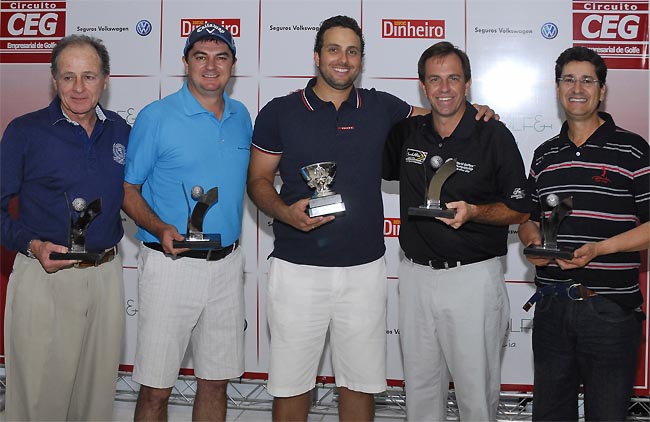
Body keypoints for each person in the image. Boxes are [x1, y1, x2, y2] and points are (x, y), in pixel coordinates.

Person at [247, 16, 495, 421]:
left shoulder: (383, 107)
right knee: (292, 384)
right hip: (297, 270)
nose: (342, 59)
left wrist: (477, 110)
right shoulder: (280, 111)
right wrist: (284, 213)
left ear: (361, 60)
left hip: (364, 270)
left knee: (360, 384)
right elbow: (257, 180)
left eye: (352, 51)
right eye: (333, 49)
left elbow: (442, 112)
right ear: (317, 56)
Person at [383, 41, 530, 421]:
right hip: (415, 277)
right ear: (422, 86)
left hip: (472, 280)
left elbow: (519, 209)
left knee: (475, 394)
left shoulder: (493, 135)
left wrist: (476, 211)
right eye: (435, 79)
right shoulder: (406, 133)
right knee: (421, 390)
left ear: (468, 84)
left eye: (453, 79)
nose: (444, 88)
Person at [122, 23, 251, 421]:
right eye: (201, 56)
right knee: (156, 388)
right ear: (185, 63)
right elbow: (127, 190)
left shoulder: (242, 116)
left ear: (232, 64)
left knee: (215, 383)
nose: (211, 66)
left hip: (227, 265)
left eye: (221, 57)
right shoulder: (156, 116)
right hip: (170, 266)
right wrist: (160, 227)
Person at [0, 34, 129, 421]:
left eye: (88, 77)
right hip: (46, 277)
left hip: (106, 276)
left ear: (106, 80)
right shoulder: (25, 131)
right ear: (54, 80)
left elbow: (137, 194)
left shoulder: (121, 130)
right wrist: (32, 245)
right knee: (40, 403)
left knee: (95, 401)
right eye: (68, 77)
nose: (78, 88)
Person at [518, 46, 649, 421]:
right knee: (550, 415)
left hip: (610, 312)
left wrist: (599, 249)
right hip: (552, 308)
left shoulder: (633, 150)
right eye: (569, 79)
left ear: (602, 90)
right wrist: (533, 241)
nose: (578, 88)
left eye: (587, 80)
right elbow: (527, 217)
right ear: (557, 88)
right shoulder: (544, 155)